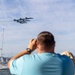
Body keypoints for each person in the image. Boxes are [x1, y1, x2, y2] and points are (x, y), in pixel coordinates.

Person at [8, 31, 74, 75]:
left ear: (36, 44)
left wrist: (28, 50)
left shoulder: (25, 61)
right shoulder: (68, 61)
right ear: (54, 43)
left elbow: (10, 63)